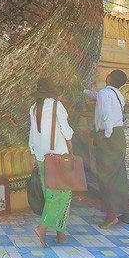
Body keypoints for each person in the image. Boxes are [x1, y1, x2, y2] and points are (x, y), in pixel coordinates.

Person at [29, 78, 75, 244]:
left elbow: (32, 135)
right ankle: (42, 228)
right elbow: (66, 130)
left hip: (42, 157)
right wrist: (70, 140)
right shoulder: (57, 106)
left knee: (51, 196)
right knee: (63, 196)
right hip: (58, 157)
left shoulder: (34, 108)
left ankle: (60, 234)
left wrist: (33, 153)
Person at [84, 71, 129, 230]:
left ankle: (111, 216)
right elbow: (99, 97)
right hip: (119, 136)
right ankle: (126, 213)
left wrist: (105, 136)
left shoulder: (105, 93)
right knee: (119, 175)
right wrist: (84, 91)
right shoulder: (118, 94)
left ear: (109, 78)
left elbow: (106, 116)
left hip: (108, 137)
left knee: (106, 176)